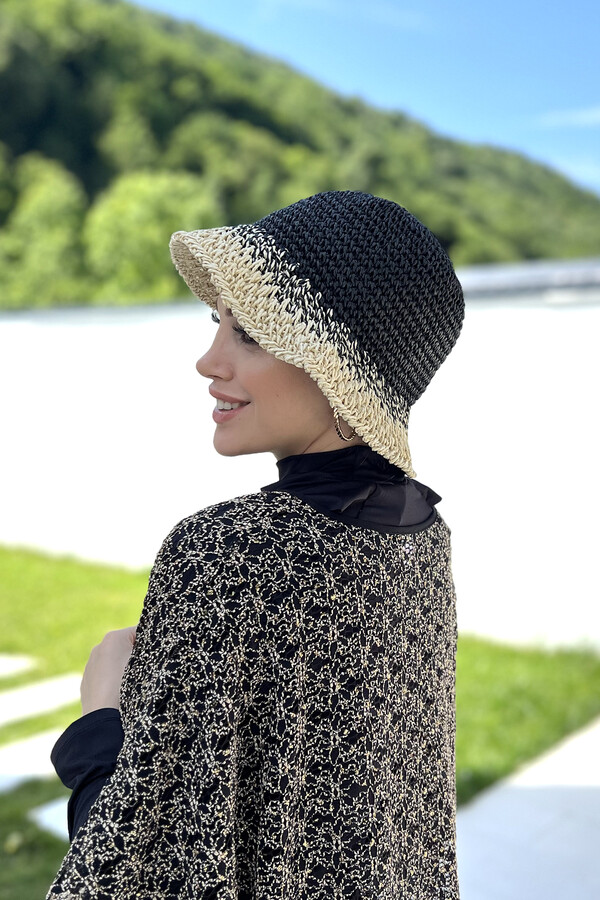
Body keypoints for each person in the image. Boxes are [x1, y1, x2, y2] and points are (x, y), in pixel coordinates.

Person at [48, 190, 465, 899]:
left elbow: (139, 871)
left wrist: (101, 720)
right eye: (216, 324)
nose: (208, 361)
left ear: (338, 370)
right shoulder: (420, 535)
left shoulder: (229, 551)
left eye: (251, 336)